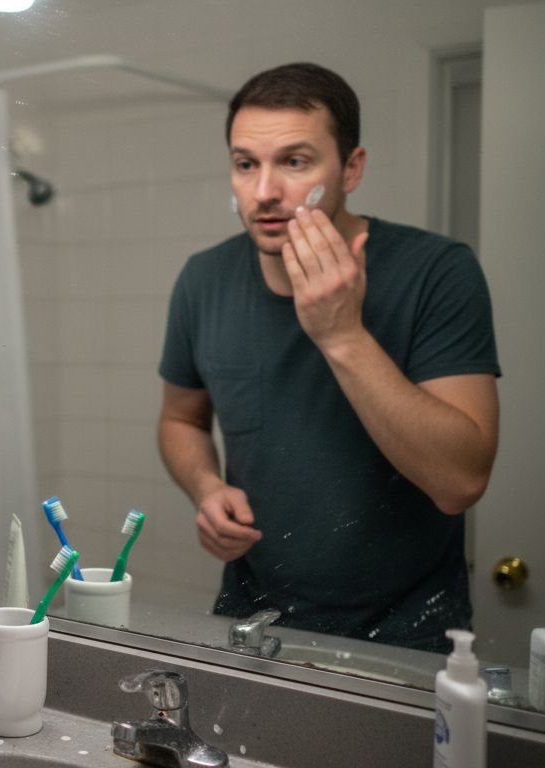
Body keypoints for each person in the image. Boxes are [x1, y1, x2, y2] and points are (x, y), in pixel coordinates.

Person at [156, 62, 499, 653]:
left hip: (407, 632)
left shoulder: (438, 272)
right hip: (250, 619)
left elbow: (460, 481)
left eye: (294, 161)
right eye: (246, 164)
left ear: (352, 168)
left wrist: (342, 335)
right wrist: (206, 486)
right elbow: (180, 419)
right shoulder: (203, 279)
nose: (265, 191)